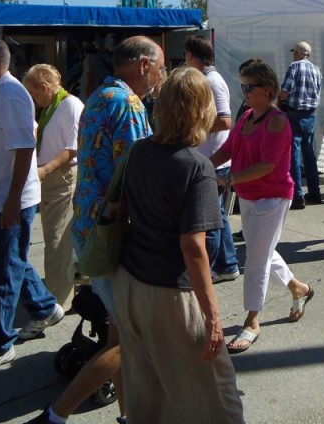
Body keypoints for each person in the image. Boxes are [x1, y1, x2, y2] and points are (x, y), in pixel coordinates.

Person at [28, 35, 164, 424]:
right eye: (157, 66)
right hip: (115, 232)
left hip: (92, 225)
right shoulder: (128, 103)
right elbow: (138, 174)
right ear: (142, 65)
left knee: (119, 334)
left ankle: (128, 415)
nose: (158, 74)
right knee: (126, 339)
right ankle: (56, 414)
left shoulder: (100, 95)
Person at [113, 67, 244, 422]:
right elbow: (193, 248)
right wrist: (213, 315)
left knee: (149, 389)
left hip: (131, 283)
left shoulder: (139, 151)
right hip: (169, 293)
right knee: (216, 396)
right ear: (202, 109)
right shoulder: (196, 167)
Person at [0, 38, 63, 376]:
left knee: (3, 272)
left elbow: (24, 149)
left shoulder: (9, 94)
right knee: (11, 262)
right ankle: (46, 306)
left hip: (8, 200)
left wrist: (11, 199)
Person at [211, 60, 313, 354]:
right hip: (248, 196)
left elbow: (267, 166)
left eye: (248, 86)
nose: (243, 91)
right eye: (242, 85)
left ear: (267, 90)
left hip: (272, 197)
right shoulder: (246, 118)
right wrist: (202, 166)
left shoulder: (277, 120)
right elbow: (228, 149)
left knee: (256, 257)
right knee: (261, 250)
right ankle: (298, 288)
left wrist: (227, 178)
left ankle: (253, 320)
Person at [23, 64, 84, 311]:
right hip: (50, 177)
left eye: (35, 93)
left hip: (60, 177)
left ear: (46, 88)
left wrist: (45, 170)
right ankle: (56, 293)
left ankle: (58, 300)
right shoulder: (53, 106)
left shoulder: (70, 105)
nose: (34, 100)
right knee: (54, 240)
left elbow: (71, 149)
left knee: (58, 242)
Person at [185, 35, 240, 283]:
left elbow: (225, 120)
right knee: (217, 213)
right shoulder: (207, 79)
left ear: (192, 56)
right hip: (209, 156)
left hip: (212, 158)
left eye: (187, 55)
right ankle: (228, 264)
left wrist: (193, 126)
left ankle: (213, 269)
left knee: (209, 218)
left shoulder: (211, 81)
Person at [279, 40, 323, 207]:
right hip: (311, 114)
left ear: (297, 53)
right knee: (309, 154)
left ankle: (298, 196)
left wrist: (279, 100)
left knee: (294, 156)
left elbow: (285, 91)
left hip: (294, 114)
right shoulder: (316, 70)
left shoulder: (294, 67)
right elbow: (317, 92)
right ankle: (315, 192)